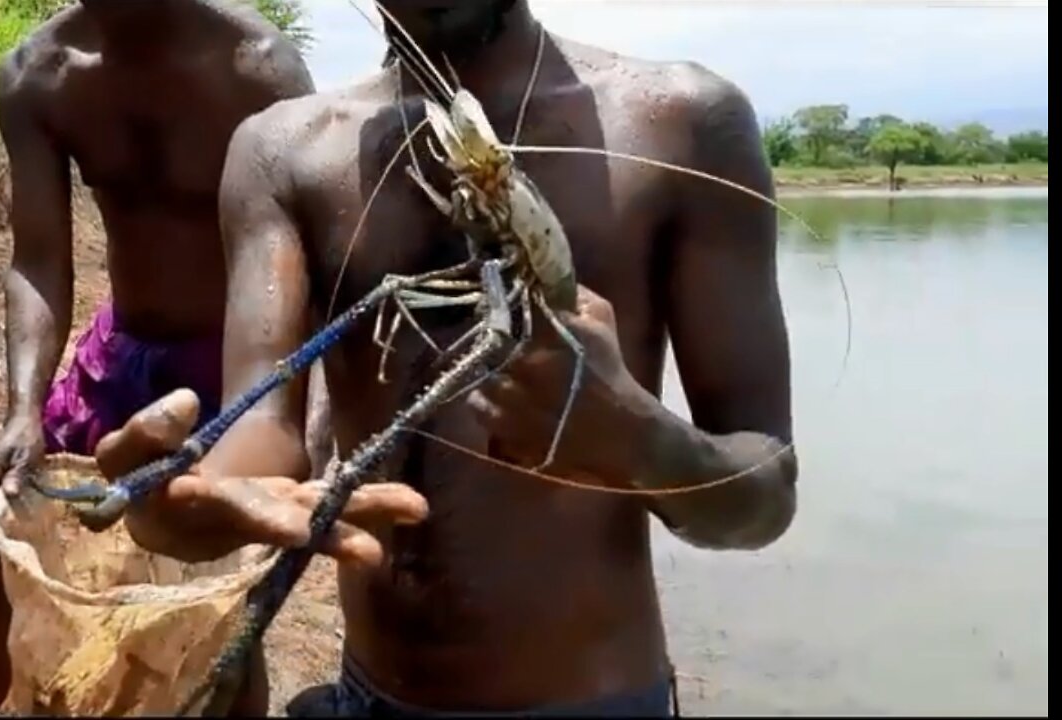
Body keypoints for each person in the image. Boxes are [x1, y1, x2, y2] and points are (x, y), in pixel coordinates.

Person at [97, 0, 800, 716]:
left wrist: (640, 443)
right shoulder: (282, 151)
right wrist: (181, 505)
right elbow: (265, 430)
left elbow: (767, 492)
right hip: (371, 694)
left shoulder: (685, 126)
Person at [0, 1, 321, 715]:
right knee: (10, 565)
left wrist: (306, 419)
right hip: (120, 360)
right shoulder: (43, 74)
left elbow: (318, 257)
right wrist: (22, 410)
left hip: (236, 376)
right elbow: (36, 260)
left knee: (223, 615)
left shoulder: (257, 69)